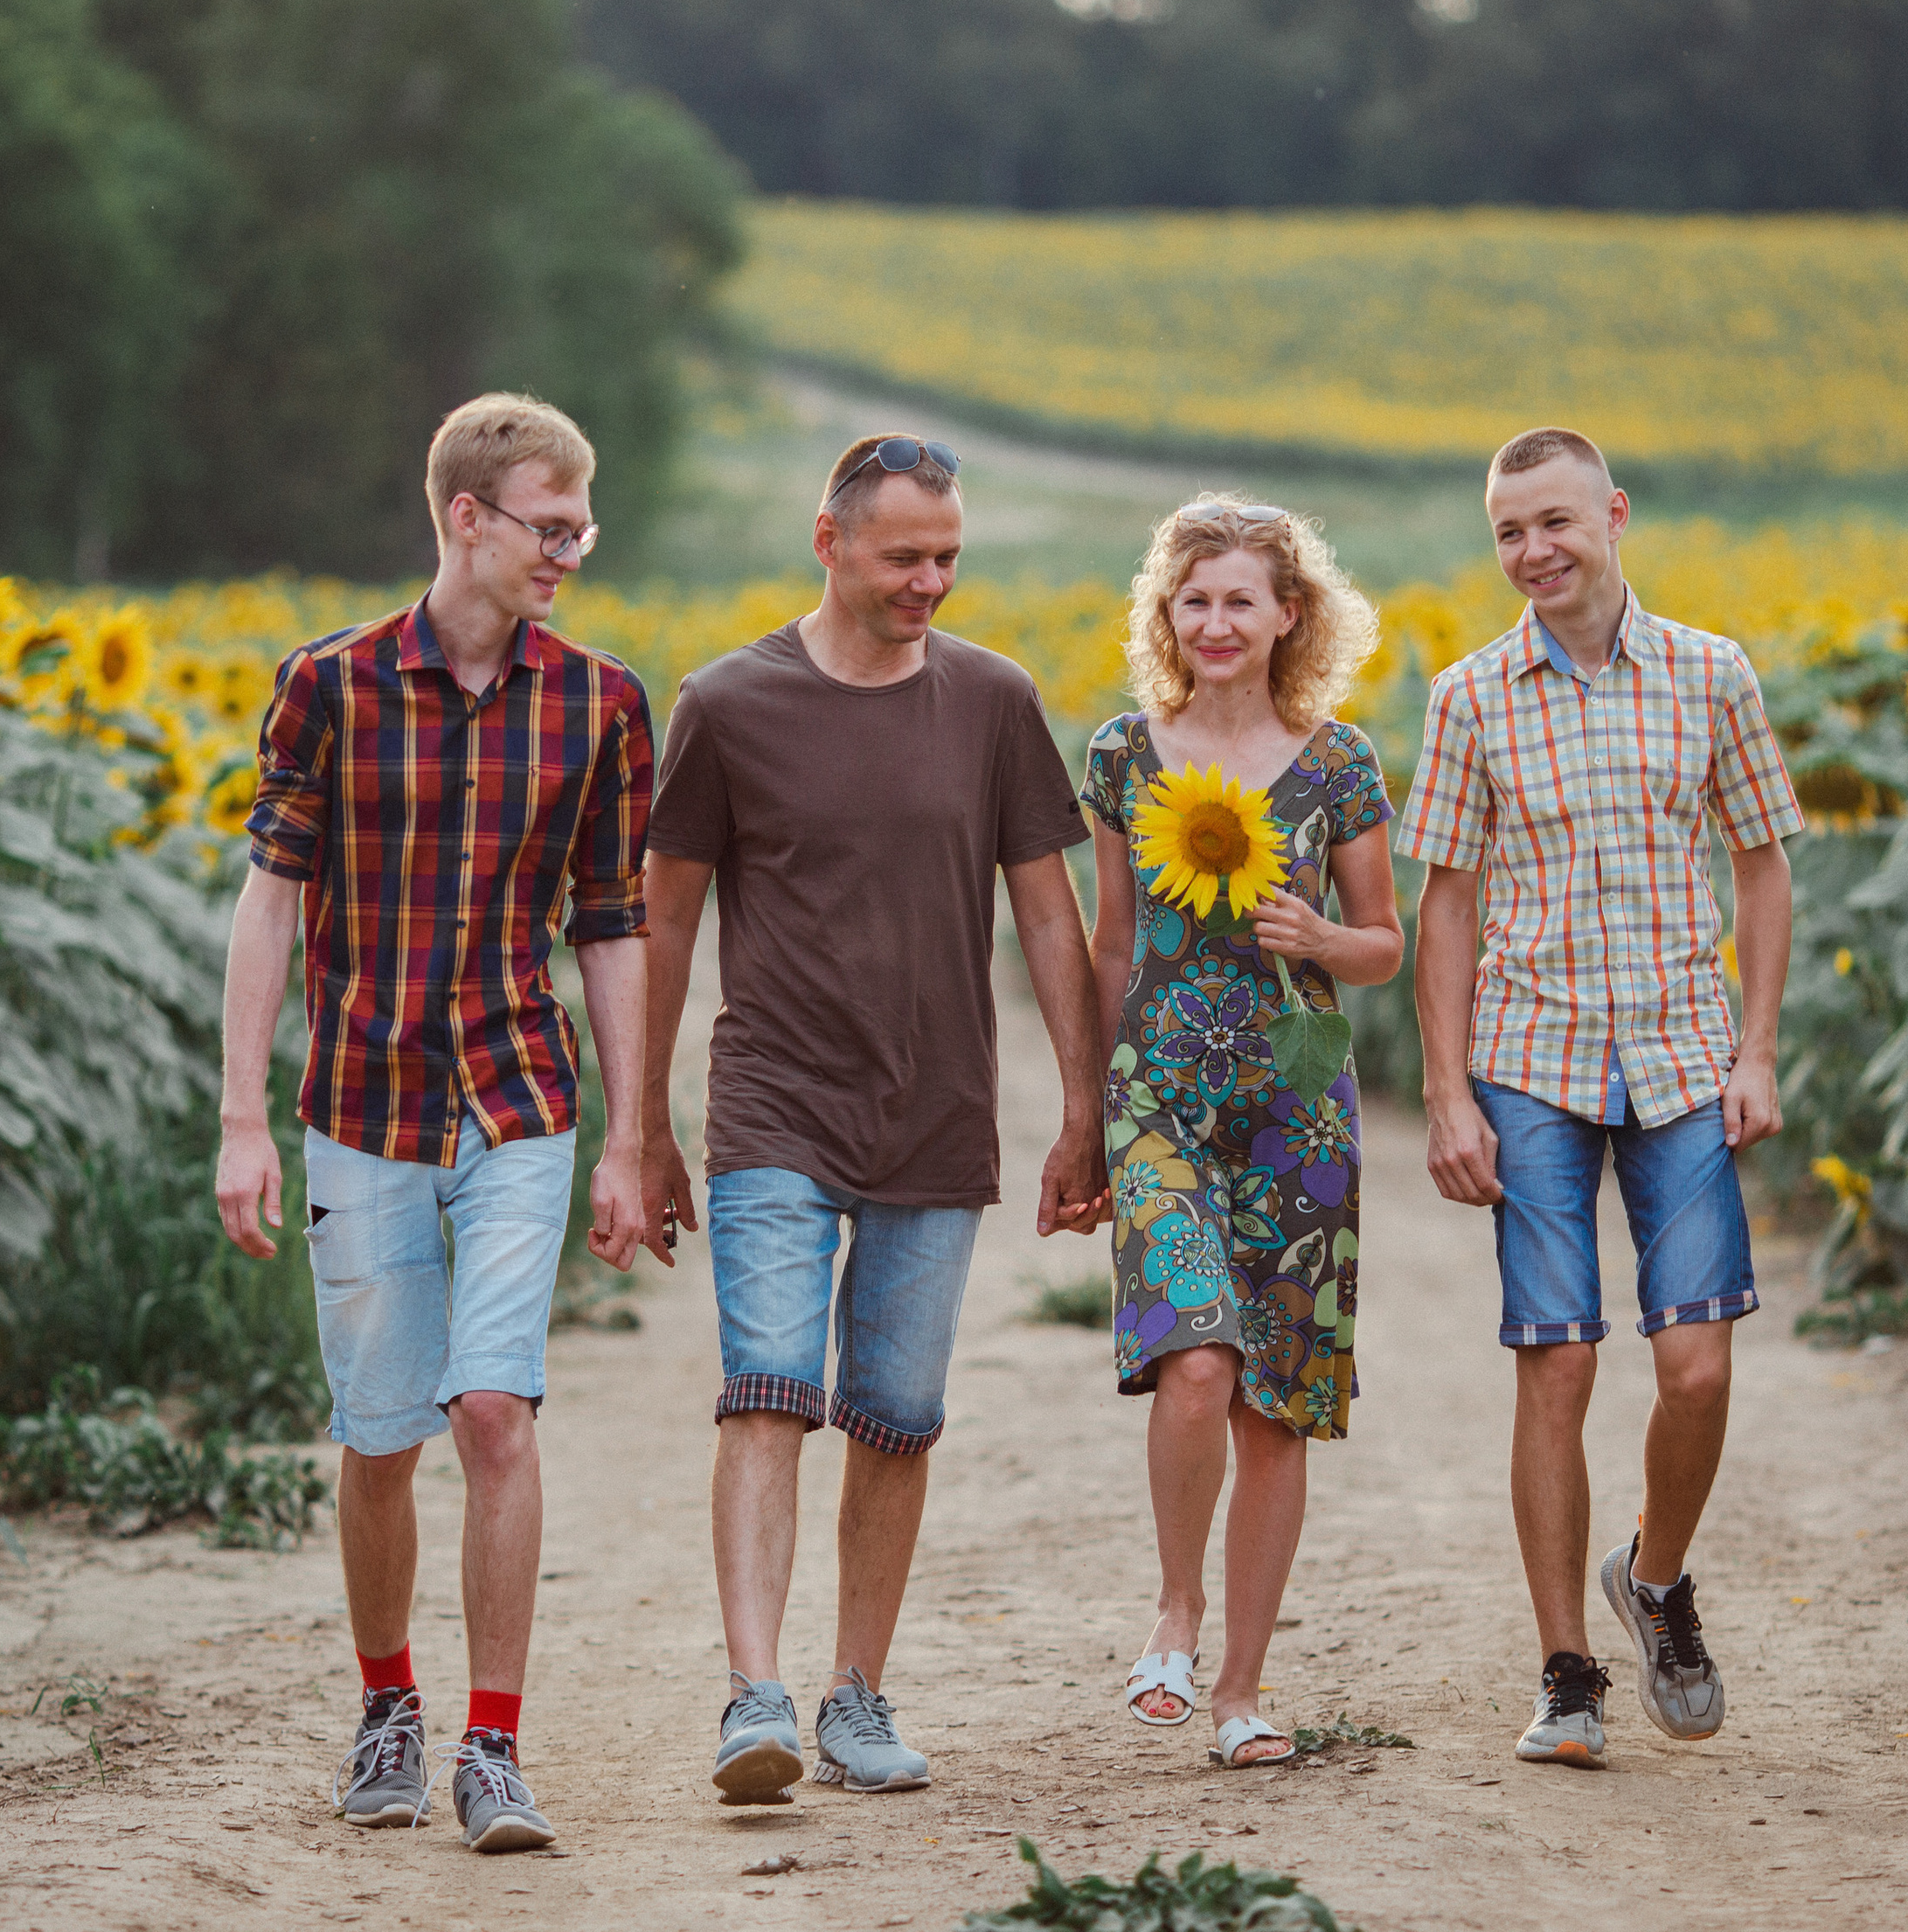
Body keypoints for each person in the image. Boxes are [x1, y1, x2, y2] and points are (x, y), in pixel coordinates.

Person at [639, 434, 1109, 1804]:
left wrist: (1080, 1109)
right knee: (768, 1395)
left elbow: (1046, 917)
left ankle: (856, 1695)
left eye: (950, 556)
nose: (932, 582)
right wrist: (645, 1126)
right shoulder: (725, 704)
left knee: (898, 1418)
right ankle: (755, 1698)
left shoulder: (994, 702)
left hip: (939, 1106)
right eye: (907, 556)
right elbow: (664, 923)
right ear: (829, 541)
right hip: (775, 1100)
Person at [214, 392, 651, 1849]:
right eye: (549, 525)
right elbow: (271, 900)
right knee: (384, 1430)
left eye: (583, 526)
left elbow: (612, 925)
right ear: (465, 517)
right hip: (360, 1104)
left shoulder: (601, 704)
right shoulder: (326, 686)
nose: (570, 551)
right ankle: (389, 1705)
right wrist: (242, 1118)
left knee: (494, 1413)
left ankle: (495, 1743)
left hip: (518, 1096)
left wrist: (635, 1133)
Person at [1401, 426, 1800, 1769]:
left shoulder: (1711, 675)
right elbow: (1443, 903)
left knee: (1695, 1362)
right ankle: (1567, 1671)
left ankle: (1658, 1578)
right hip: (1533, 1066)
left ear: (1614, 515)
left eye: (1556, 522)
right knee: (1557, 1358)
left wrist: (1757, 1050)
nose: (1533, 552)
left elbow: (1763, 866)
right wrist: (1447, 1093)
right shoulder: (1470, 698)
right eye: (1510, 530)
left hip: (1686, 1057)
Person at [1085, 497, 1402, 1770]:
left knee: (1274, 1406)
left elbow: (1383, 939)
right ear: (1168, 614)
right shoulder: (1121, 755)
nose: (1216, 623)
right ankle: (1175, 1606)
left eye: (1241, 601)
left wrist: (1325, 940)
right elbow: (1114, 940)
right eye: (1193, 599)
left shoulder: (1342, 764)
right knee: (1198, 1363)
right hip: (1158, 1099)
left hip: (1297, 1109)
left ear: (1289, 616)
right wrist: (1085, 1112)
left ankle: (1242, 1691)